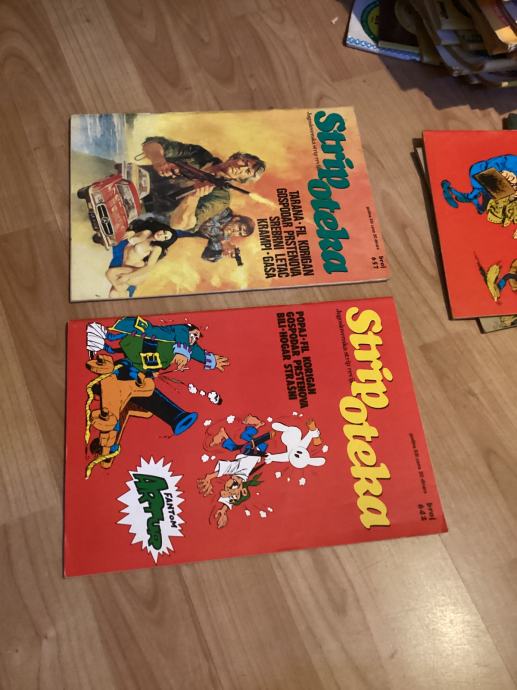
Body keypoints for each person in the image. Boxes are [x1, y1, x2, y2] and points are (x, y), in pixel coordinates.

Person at [139, 135, 265, 231]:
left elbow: (180, 225)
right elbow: (152, 143)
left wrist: (194, 197)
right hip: (136, 177)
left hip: (143, 208)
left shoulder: (221, 198)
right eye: (245, 162)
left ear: (242, 179)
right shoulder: (199, 154)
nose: (241, 168)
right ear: (235, 157)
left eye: (247, 171)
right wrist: (159, 161)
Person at [105, 218, 177, 298]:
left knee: (110, 273)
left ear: (164, 241)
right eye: (164, 232)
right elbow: (134, 234)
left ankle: (124, 295)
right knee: (113, 294)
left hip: (136, 272)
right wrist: (133, 231)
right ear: (162, 228)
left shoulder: (156, 248)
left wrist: (129, 276)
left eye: (165, 237)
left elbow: (149, 267)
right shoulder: (147, 232)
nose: (162, 235)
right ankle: (125, 295)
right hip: (125, 266)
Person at [441, 154, 517, 214]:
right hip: (483, 172)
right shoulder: (512, 162)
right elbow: (494, 166)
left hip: (483, 174)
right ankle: (466, 196)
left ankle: (473, 200)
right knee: (503, 195)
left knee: (485, 199)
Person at [175, 207, 255, 262]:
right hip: (181, 214)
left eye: (239, 233)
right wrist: (222, 241)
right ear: (236, 219)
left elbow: (205, 256)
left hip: (180, 231)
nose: (236, 232)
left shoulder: (225, 238)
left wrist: (221, 253)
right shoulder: (225, 212)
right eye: (239, 228)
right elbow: (206, 226)